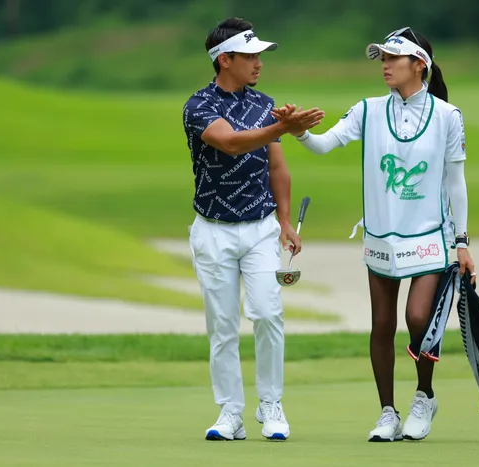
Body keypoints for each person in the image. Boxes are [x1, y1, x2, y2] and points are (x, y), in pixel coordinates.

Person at [273, 26, 476, 442]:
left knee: (418, 318)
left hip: (430, 235)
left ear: (418, 64)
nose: (384, 65)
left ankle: (424, 396)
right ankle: (387, 413)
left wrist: (462, 241)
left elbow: (456, 183)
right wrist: (298, 131)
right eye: (382, 58)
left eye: (393, 58)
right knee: (381, 325)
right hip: (382, 236)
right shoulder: (367, 110)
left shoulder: (447, 116)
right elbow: (324, 145)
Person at [182, 17, 324, 442]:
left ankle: (271, 404)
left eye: (260, 55)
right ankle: (230, 412)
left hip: (260, 227)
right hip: (213, 231)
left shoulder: (265, 104)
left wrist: (285, 221)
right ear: (224, 60)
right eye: (250, 56)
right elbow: (229, 142)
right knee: (223, 325)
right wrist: (284, 127)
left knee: (267, 312)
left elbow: (277, 167)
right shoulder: (198, 105)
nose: (259, 63)